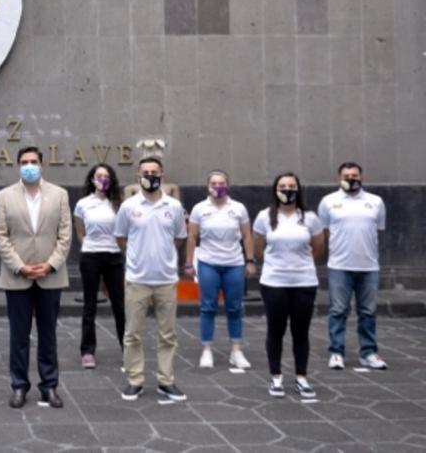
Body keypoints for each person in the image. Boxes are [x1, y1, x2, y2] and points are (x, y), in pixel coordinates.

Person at [0, 147, 72, 409]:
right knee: (19, 335)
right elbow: (0, 235)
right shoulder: (4, 196)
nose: (29, 166)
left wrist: (50, 265)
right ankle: (19, 386)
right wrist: (20, 266)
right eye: (25, 162)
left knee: (48, 334)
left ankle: (49, 386)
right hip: (18, 276)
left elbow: (65, 235)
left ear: (42, 164)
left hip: (50, 276)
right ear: (18, 165)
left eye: (34, 162)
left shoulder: (59, 195)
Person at [115, 156, 188, 402]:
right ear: (138, 176)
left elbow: (179, 238)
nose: (149, 176)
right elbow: (121, 238)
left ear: (162, 174)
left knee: (168, 335)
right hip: (137, 279)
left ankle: (166, 381)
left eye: (154, 172)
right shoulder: (128, 207)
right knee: (132, 333)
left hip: (166, 279)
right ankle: (135, 380)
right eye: (145, 172)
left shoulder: (174, 207)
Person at [253, 172, 325, 398]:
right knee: (276, 330)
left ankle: (301, 377)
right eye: (282, 186)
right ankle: (276, 377)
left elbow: (319, 247)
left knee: (300, 332)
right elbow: (258, 248)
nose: (287, 190)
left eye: (291, 186)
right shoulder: (264, 217)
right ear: (275, 190)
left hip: (304, 282)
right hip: (274, 282)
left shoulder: (310, 218)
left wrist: (300, 265)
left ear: (298, 189)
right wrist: (278, 265)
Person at [184, 171, 256, 370]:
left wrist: (250, 261)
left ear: (228, 185)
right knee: (208, 307)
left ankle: (236, 350)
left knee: (234, 308)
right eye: (214, 183)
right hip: (208, 263)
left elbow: (247, 236)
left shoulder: (238, 208)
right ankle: (206, 350)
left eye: (221, 183)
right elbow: (192, 237)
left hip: (234, 263)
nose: (218, 186)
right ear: (208, 186)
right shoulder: (200, 208)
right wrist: (189, 263)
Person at [319, 162, 388, 370]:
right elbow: (325, 232)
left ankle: (368, 353)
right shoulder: (328, 201)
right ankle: (336, 352)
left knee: (368, 312)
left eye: (355, 175)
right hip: (339, 265)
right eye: (346, 175)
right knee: (338, 310)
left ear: (362, 177)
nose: (351, 178)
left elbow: (379, 230)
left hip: (368, 266)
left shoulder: (375, 202)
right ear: (338, 178)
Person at [74, 163, 125, 369]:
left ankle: (127, 348)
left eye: (106, 176)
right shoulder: (83, 204)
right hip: (91, 257)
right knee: (90, 305)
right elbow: (80, 230)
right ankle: (87, 351)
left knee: (119, 305)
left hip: (113, 256)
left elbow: (123, 232)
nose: (102, 179)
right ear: (92, 179)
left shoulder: (118, 204)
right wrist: (86, 246)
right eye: (99, 176)